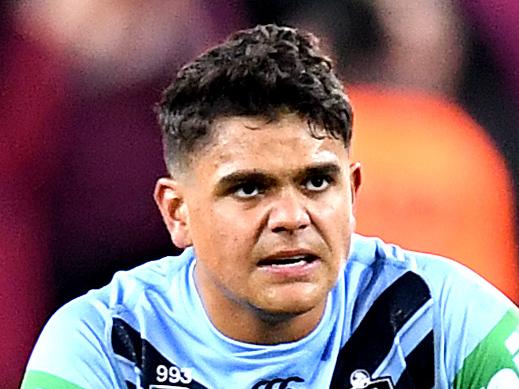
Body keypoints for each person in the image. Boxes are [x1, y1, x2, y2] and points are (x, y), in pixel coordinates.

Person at [22, 24, 519, 389]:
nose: (290, 217)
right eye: (249, 188)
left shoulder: (443, 317)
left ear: (352, 195)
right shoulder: (106, 347)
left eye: (318, 181)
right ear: (178, 212)